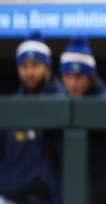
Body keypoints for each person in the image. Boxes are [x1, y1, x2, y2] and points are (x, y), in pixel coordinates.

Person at [56, 36, 106, 204]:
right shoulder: (58, 102)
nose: (72, 83)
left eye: (78, 77)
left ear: (90, 76)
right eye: (67, 76)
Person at [0, 32, 64, 204]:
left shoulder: (62, 101)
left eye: (35, 65)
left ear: (47, 68)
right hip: (12, 196)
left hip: (51, 197)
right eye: (24, 66)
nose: (29, 72)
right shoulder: (11, 106)